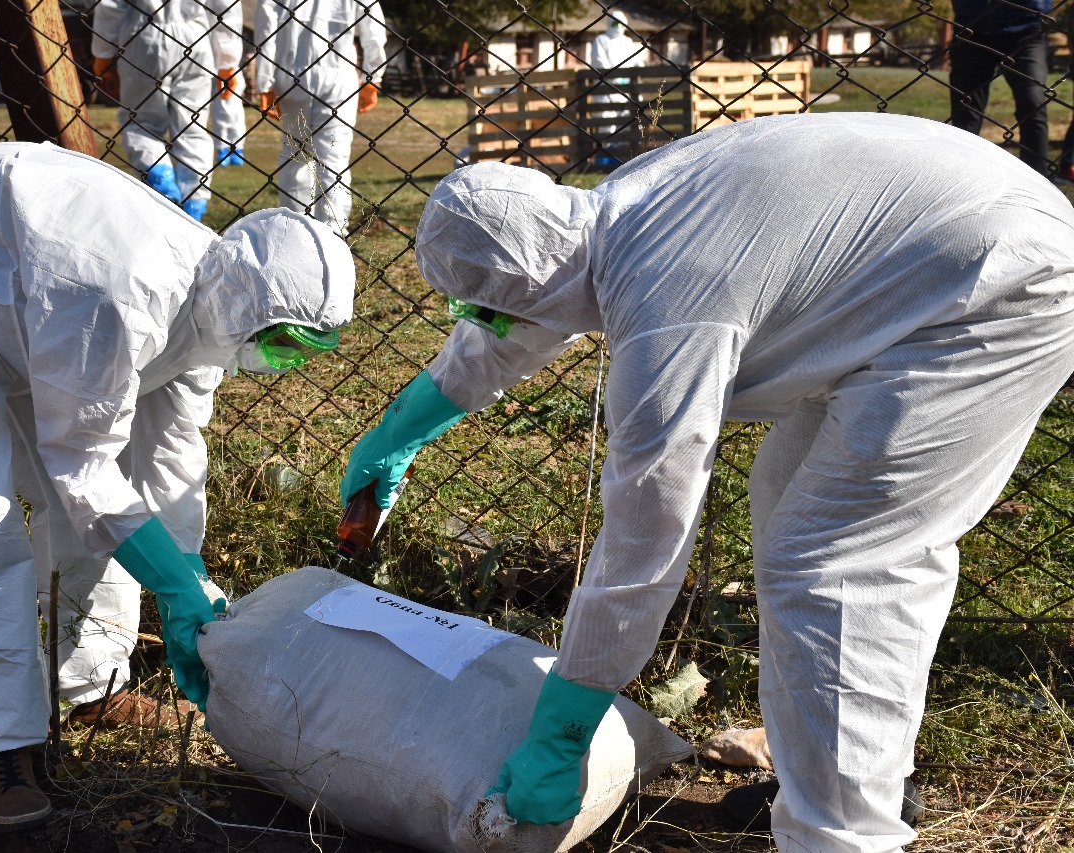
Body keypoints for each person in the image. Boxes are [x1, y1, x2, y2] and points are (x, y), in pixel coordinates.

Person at [340, 112, 1074, 851]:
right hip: (948, 246)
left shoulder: (664, 307)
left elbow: (645, 539)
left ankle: (844, 835)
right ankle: (852, 777)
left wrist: (563, 728)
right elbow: (517, 314)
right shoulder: (603, 222)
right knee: (786, 500)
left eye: (487, 312)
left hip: (998, 284)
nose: (491, 328)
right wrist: (396, 433)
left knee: (833, 560)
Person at [0, 142, 356, 832]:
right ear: (248, 305)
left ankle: (84, 684)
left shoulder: (219, 309)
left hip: (19, 294)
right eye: (285, 342)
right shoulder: (125, 293)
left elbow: (167, 460)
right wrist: (172, 584)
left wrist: (187, 578)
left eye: (306, 351)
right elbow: (86, 467)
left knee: (103, 503)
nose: (283, 362)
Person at [254, 0, 389, 237]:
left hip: (291, 73)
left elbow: (266, 25)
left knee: (294, 155)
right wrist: (372, 76)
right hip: (340, 73)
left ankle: (293, 233)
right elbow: (373, 26)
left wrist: (264, 81)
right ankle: (334, 235)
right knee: (334, 157)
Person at [90, 0, 234, 221]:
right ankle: (193, 207)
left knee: (142, 123)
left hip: (144, 34)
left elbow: (111, 4)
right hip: (197, 37)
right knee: (192, 129)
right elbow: (224, 5)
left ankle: (163, 188)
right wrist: (227, 59)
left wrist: (103, 52)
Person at [949, 0, 1053, 176]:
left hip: (1026, 26)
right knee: (965, 111)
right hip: (971, 25)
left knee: (1033, 103)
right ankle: (961, 179)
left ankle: (1038, 181)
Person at [588, 10, 640, 167]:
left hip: (626, 89)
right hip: (606, 88)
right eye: (615, 23)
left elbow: (637, 62)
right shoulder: (601, 40)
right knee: (606, 121)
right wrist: (614, 77)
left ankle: (624, 157)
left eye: (621, 23)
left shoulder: (628, 43)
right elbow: (599, 61)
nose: (617, 27)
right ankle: (605, 157)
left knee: (625, 122)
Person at [210, 9, 248, 168]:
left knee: (237, 120)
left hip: (233, 71)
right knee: (219, 119)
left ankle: (238, 149)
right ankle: (222, 149)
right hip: (216, 71)